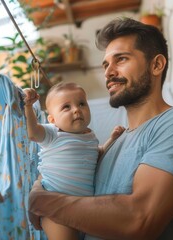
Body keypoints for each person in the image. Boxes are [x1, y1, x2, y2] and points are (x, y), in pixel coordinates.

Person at [28, 18, 173, 240]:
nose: (108, 72)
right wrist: (41, 184)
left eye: (121, 59)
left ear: (156, 65)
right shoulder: (117, 140)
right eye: (106, 64)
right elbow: (67, 169)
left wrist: (40, 201)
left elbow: (139, 219)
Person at [23, 82, 124, 240]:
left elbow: (98, 154)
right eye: (66, 107)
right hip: (53, 207)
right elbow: (32, 132)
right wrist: (28, 106)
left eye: (82, 103)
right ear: (52, 119)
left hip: (83, 208)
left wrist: (113, 139)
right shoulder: (52, 132)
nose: (77, 109)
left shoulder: (90, 136)